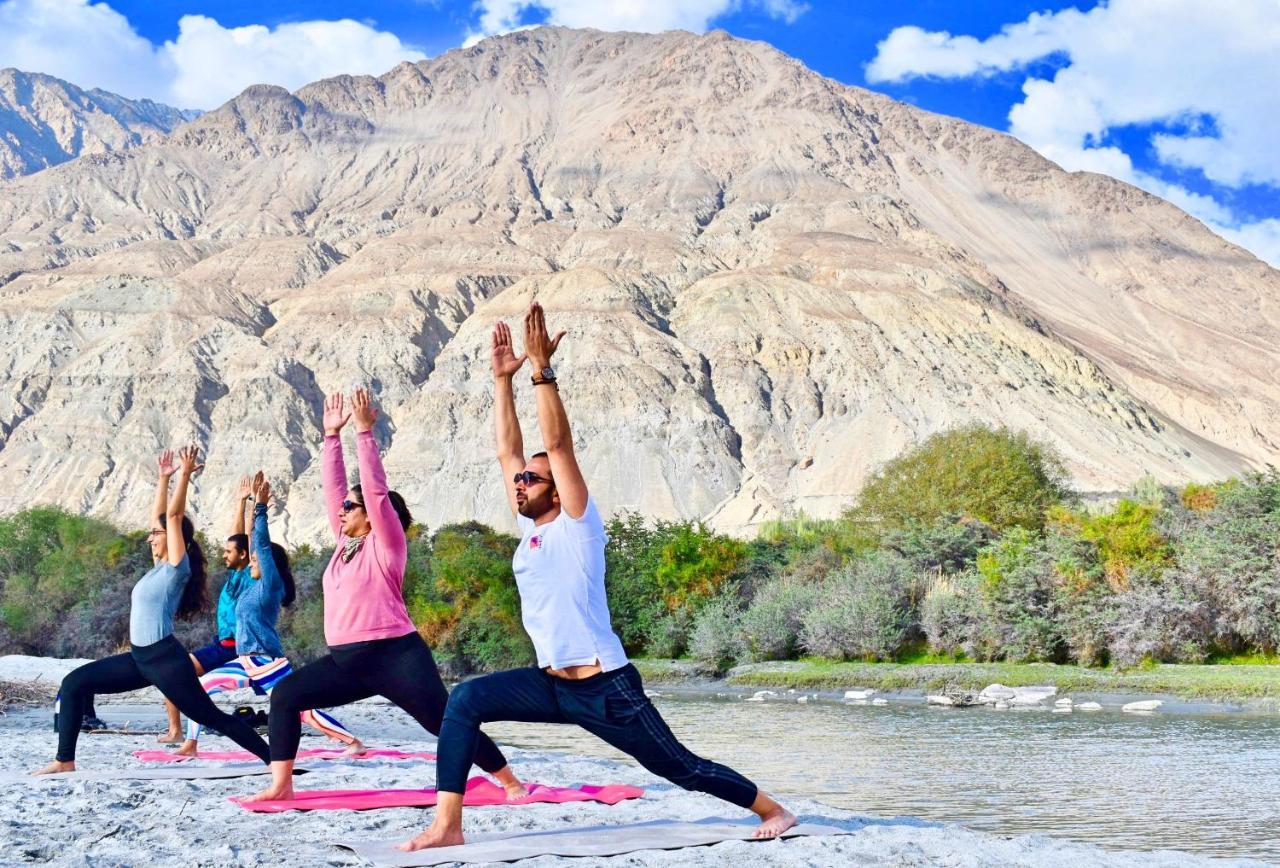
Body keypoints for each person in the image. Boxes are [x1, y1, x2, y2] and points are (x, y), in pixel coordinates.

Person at [400, 304, 797, 851]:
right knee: (464, 700)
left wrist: (541, 372)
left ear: (558, 490)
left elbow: (557, 449)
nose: (520, 483)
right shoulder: (531, 532)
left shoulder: (578, 527)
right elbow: (507, 451)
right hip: (550, 684)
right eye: (519, 481)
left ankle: (772, 808)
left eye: (532, 480)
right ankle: (448, 825)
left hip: (606, 689)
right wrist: (500, 382)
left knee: (679, 766)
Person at [241, 389, 525, 803]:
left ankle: (510, 781)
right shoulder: (344, 542)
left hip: (395, 656)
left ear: (372, 516)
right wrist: (331, 438)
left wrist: (363, 433)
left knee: (444, 721)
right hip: (346, 662)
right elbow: (333, 488)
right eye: (344, 507)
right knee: (286, 696)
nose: (341, 511)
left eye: (351, 508)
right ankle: (281, 785)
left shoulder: (386, 543)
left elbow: (374, 493)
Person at [34, 447, 272, 774]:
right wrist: (163, 479)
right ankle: (65, 761)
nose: (150, 538)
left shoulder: (177, 567)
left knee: (211, 716)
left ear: (176, 540)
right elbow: (160, 518)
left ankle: (275, 760)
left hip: (165, 661)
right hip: (139, 659)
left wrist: (185, 476)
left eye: (156, 535)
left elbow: (172, 519)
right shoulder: (157, 567)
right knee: (75, 682)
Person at [174, 472, 365, 757]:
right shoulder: (250, 586)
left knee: (304, 712)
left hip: (266, 661)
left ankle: (353, 743)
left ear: (268, 565)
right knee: (201, 687)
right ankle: (191, 744)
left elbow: (260, 544)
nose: (251, 560)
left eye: (255, 559)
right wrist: (247, 504)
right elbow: (249, 542)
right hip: (247, 660)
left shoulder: (269, 586)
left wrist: (260, 508)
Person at [157, 477, 254, 743]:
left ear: (243, 555)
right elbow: (237, 540)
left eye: (228, 551)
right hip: (221, 643)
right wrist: (240, 502)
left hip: (236, 647)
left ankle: (184, 736)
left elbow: (246, 541)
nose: (223, 554)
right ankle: (177, 732)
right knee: (174, 673)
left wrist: (253, 507)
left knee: (177, 673)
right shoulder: (234, 574)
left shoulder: (248, 574)